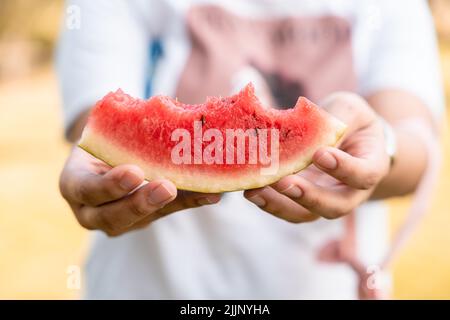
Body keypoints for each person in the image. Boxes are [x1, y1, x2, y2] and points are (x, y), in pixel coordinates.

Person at [57, 0, 444, 299]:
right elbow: (101, 122)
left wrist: (383, 146)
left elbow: (414, 141)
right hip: (143, 286)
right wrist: (105, 179)